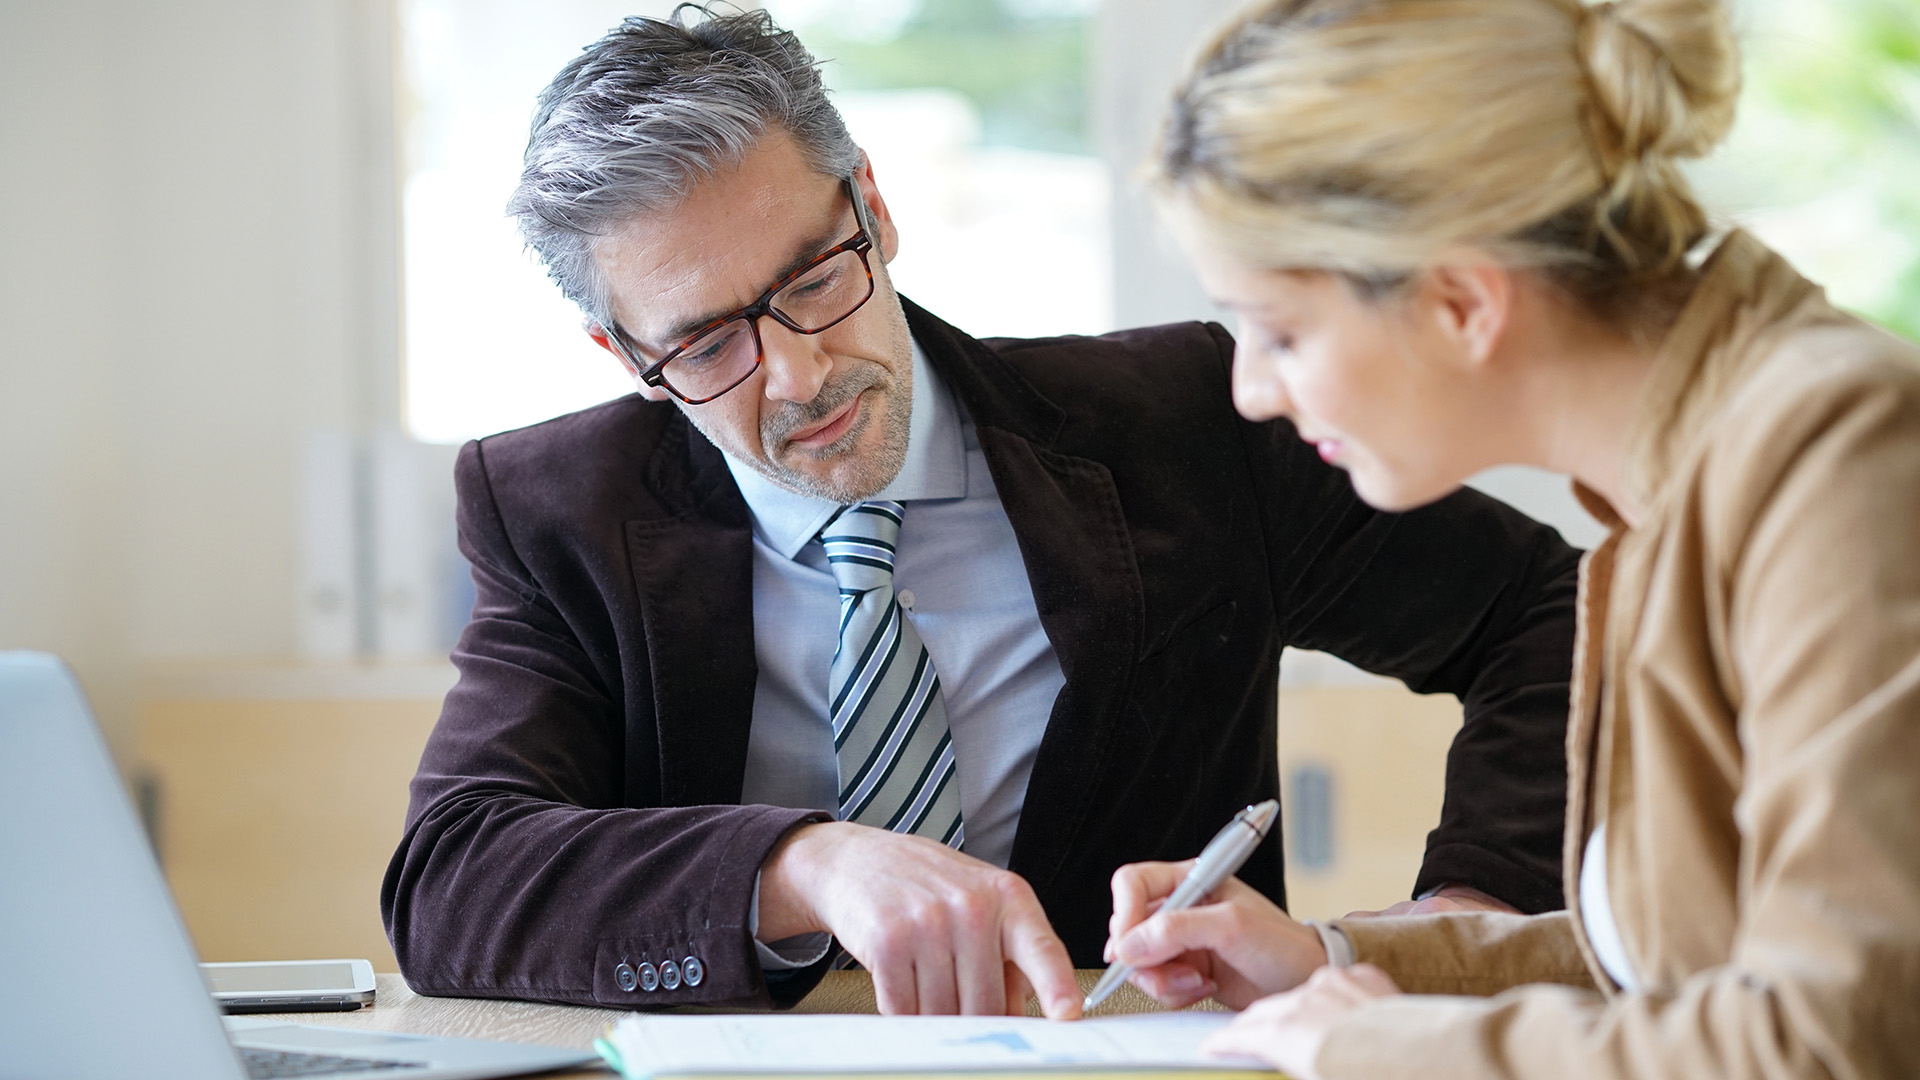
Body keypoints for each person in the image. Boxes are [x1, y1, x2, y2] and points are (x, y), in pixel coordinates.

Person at [380, 6, 1586, 1018]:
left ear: (873, 206)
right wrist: (800, 866)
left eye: (815, 279)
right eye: (704, 346)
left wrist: (1469, 917)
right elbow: (452, 882)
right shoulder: (557, 510)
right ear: (622, 353)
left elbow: (1548, 611)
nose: (797, 376)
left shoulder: (1187, 425)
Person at [1103, 0, 1920, 1075]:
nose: (1251, 391)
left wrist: (1381, 1048)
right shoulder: (1678, 486)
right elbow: (1679, 962)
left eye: (1281, 331)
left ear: (1461, 304)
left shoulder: (1835, 459)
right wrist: (1331, 962)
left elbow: (1827, 1039)